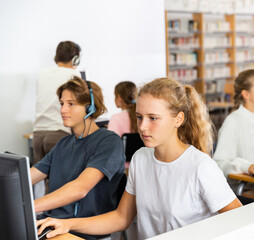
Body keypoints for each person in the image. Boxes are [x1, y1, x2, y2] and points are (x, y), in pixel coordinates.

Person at [37, 77, 242, 240]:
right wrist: (68, 224)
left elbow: (240, 222)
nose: (142, 127)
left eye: (153, 118)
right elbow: (121, 218)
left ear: (178, 119)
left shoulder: (200, 166)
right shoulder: (140, 158)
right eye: (139, 117)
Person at [31, 76, 125, 240]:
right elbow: (29, 177)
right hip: (51, 225)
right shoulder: (63, 144)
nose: (63, 110)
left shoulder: (109, 142)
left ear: (90, 107)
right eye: (62, 104)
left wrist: (29, 207)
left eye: (71, 104)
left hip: (84, 233)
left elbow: (80, 189)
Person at [32, 41, 82, 198]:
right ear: (75, 59)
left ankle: (38, 218)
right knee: (58, 183)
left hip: (38, 134)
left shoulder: (42, 73)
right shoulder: (74, 75)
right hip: (58, 133)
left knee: (38, 182)